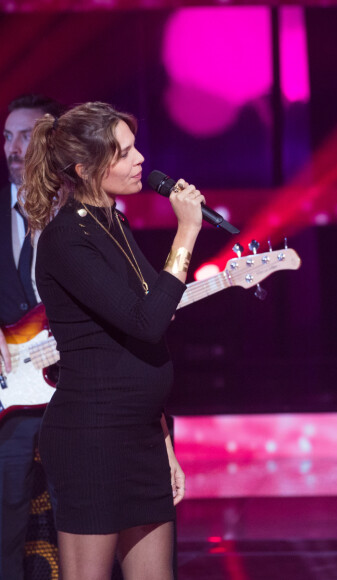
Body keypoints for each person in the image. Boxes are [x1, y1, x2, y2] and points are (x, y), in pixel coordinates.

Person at [21, 101, 204, 579]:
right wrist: (186, 232)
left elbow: (144, 342)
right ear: (85, 169)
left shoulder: (114, 224)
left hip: (141, 436)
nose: (140, 158)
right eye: (123, 153)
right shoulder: (67, 238)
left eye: (134, 147)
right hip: (92, 439)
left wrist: (164, 444)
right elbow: (146, 321)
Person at [0, 94, 63, 579]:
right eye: (7, 136)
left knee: (81, 520)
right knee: (6, 522)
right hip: (9, 396)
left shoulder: (81, 211)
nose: (13, 147)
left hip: (74, 388)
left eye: (26, 135)